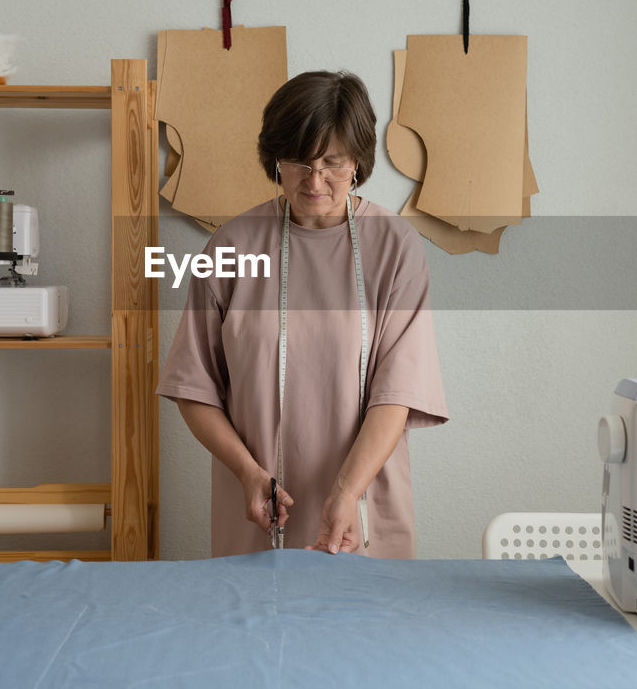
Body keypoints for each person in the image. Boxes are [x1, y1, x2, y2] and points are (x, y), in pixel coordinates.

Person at [157, 71, 447, 558]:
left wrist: (347, 492)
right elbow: (194, 387)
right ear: (275, 160)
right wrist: (249, 473)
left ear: (358, 161)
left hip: (363, 508)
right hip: (257, 508)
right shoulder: (230, 246)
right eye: (298, 163)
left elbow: (398, 392)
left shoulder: (395, 246)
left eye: (332, 163)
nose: (315, 181)